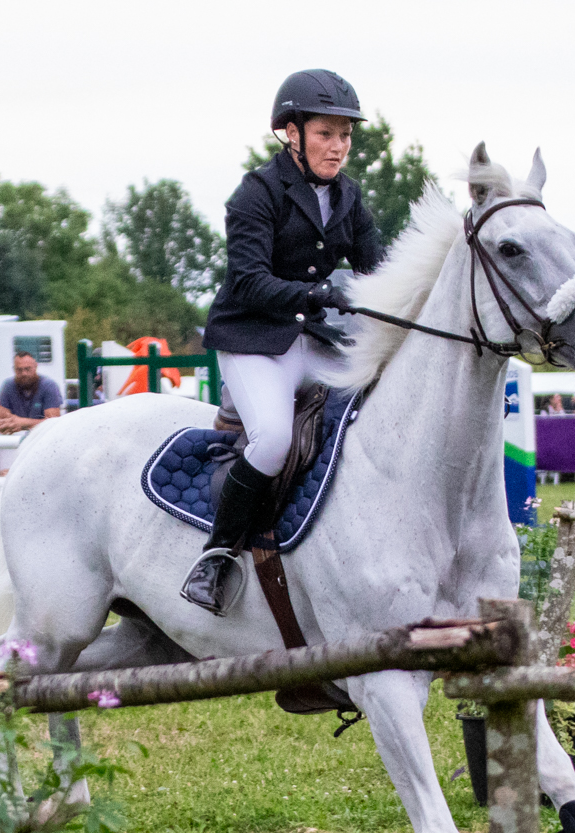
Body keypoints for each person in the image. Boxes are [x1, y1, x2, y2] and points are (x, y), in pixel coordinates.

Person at [183, 68, 384, 614]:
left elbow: (379, 269)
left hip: (312, 341)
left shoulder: (348, 196)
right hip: (253, 339)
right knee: (272, 439)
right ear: (291, 133)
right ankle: (216, 557)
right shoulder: (256, 192)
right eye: (325, 134)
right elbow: (248, 280)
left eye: (345, 135)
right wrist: (319, 293)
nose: (338, 147)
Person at [0, 352, 64, 432]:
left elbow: (53, 422)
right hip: (16, 436)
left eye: (27, 369)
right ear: (14, 369)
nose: (24, 373)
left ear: (35, 367)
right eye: (19, 370)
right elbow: (0, 420)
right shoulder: (8, 386)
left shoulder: (49, 386)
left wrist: (23, 423)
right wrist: (5, 425)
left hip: (42, 436)